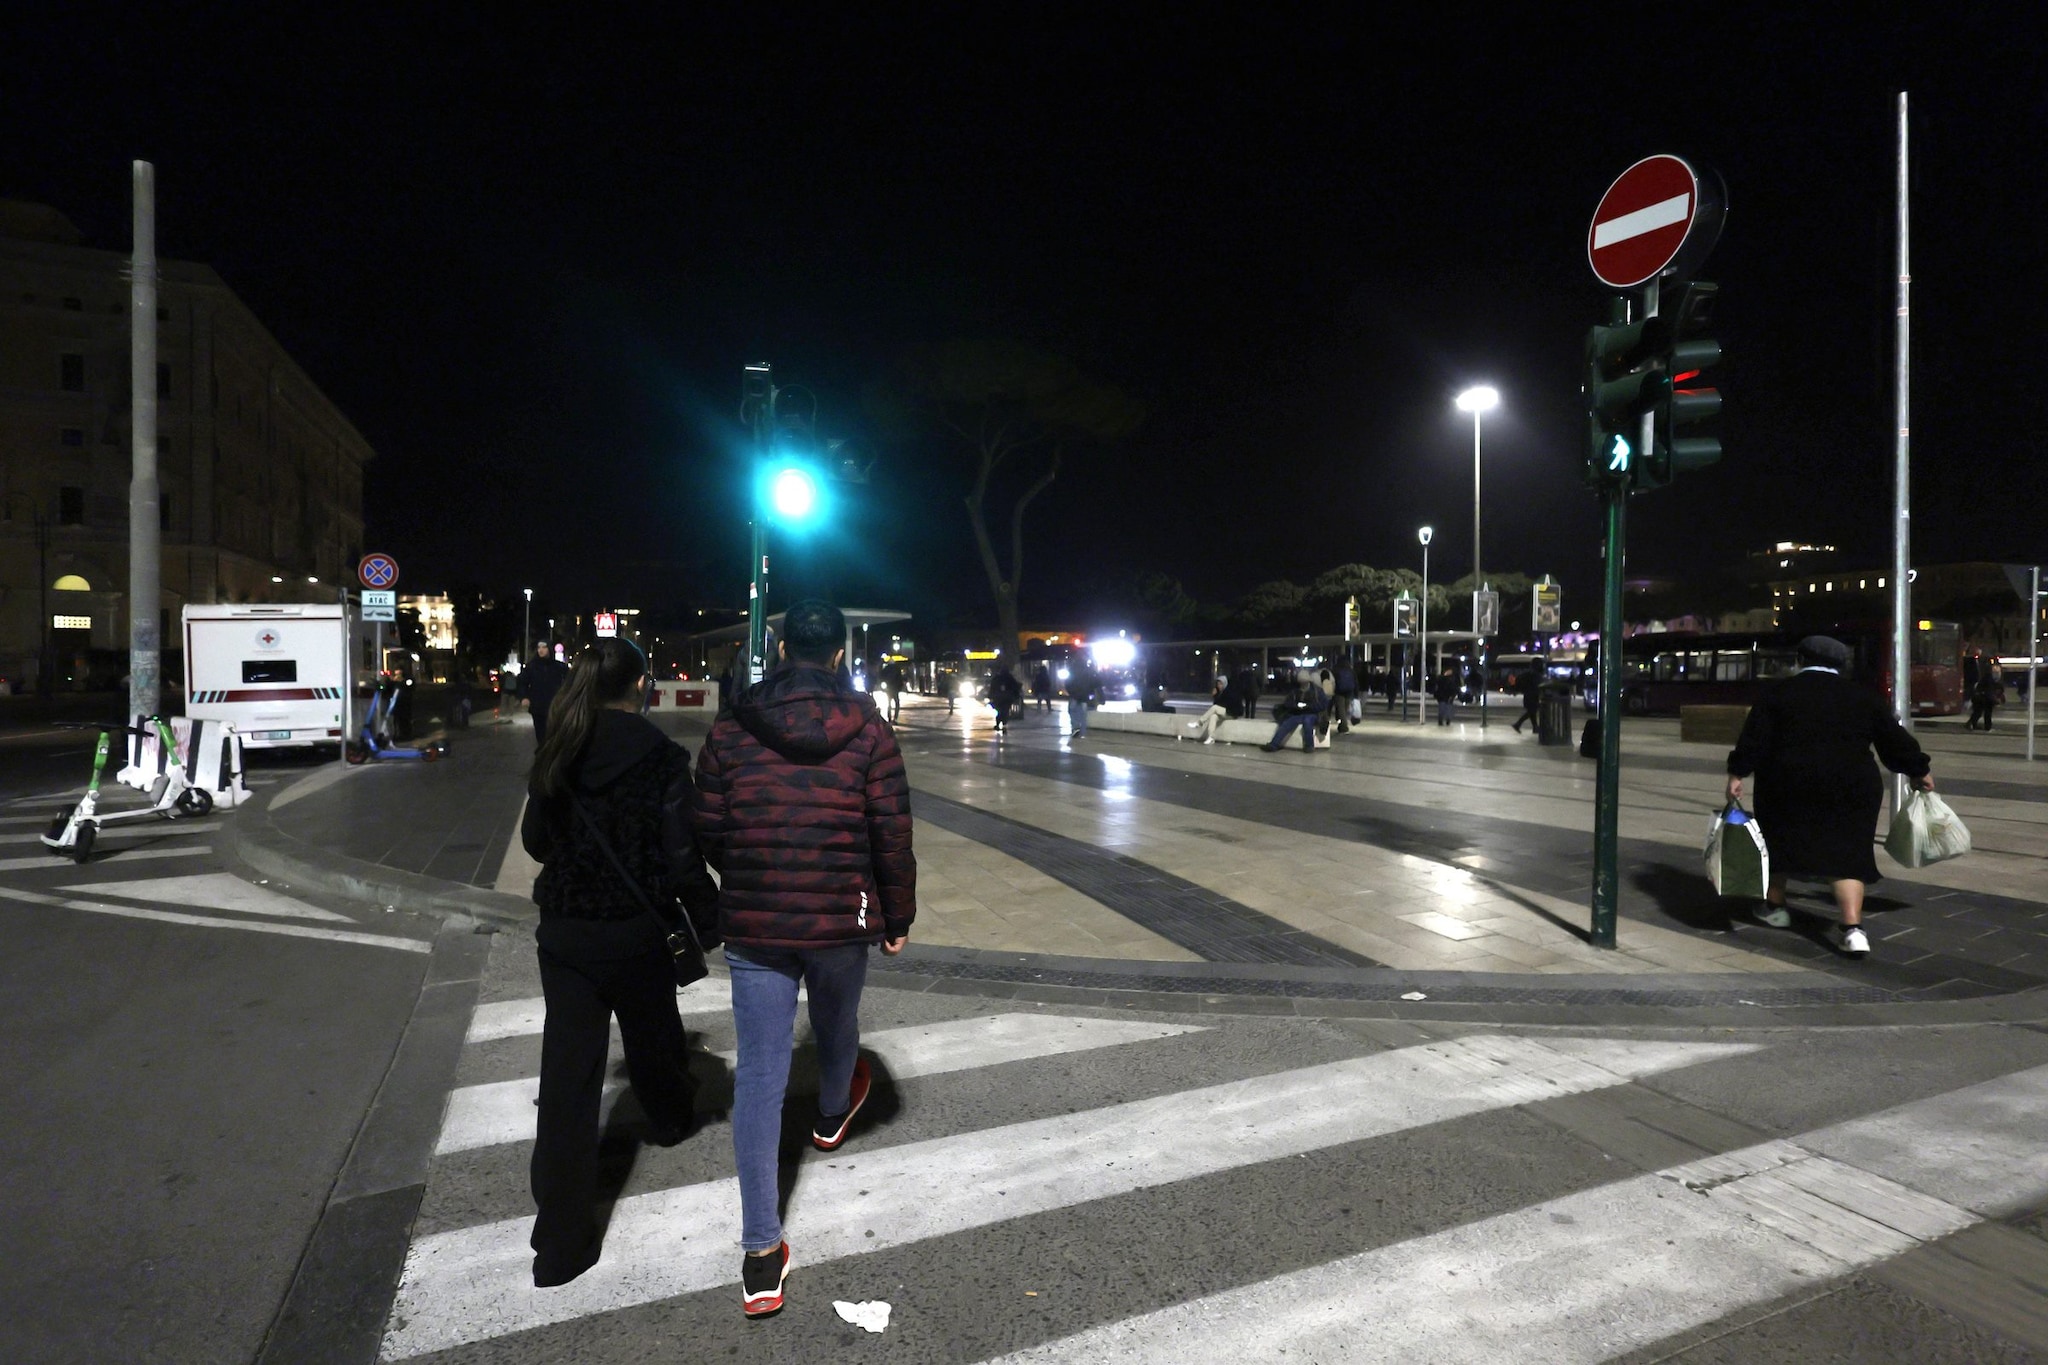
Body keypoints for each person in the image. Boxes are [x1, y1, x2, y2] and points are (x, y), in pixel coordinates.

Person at [691, 599, 916, 1318]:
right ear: (842, 653)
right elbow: (891, 826)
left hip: (757, 919)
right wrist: (896, 911)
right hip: (843, 909)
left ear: (782, 647)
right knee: (837, 1017)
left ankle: (761, 1252)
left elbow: (708, 827)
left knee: (759, 1071)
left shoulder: (732, 724)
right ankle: (828, 1114)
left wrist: (751, 870)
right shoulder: (870, 730)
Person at [518, 637, 719, 1288]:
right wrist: (709, 919)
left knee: (569, 1078)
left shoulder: (561, 743)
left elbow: (536, 839)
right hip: (637, 930)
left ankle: (560, 1242)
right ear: (641, 686)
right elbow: (682, 855)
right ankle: (668, 1114)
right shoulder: (660, 756)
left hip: (569, 932)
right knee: (654, 1032)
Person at [1726, 635, 1933, 957]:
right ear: (1841, 664)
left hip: (1786, 782)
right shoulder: (1862, 696)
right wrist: (1918, 770)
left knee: (1778, 841)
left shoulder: (1778, 694)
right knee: (1848, 854)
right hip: (1852, 784)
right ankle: (1853, 930)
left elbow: (1754, 740)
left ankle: (1775, 907)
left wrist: (1738, 773)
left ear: (1800, 659)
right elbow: (1893, 740)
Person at [521, 641, 570, 748]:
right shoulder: (531, 667)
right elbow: (522, 683)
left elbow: (569, 682)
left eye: (544, 647)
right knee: (541, 735)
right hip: (537, 707)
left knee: (553, 734)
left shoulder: (559, 667)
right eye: (539, 647)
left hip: (555, 706)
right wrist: (525, 697)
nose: (541, 650)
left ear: (549, 649)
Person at [1261, 676, 1325, 752]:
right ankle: (1273, 744)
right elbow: (1287, 703)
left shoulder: (1317, 691)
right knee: (1287, 724)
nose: (1302, 685)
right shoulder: (1295, 691)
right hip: (1297, 713)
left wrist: (1308, 706)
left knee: (1307, 722)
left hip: (1312, 713)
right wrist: (1296, 706)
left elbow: (1323, 705)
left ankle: (1309, 746)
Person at [1182, 678, 1229, 743]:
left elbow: (1223, 705)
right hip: (1224, 712)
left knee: (1214, 708)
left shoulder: (1228, 691)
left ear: (1224, 684)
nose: (1219, 686)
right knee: (1213, 717)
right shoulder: (1220, 692)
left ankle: (1199, 723)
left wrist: (1217, 697)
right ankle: (1211, 737)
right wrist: (1215, 696)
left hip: (1231, 712)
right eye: (1218, 684)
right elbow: (1218, 704)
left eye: (1221, 684)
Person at [1967, 661, 2004, 732]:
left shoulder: (1993, 678)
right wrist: (1995, 699)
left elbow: (1998, 690)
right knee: (1981, 712)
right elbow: (1989, 690)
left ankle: (1974, 724)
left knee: (1982, 712)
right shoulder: (1989, 678)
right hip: (1982, 698)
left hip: (1984, 698)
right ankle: (1976, 725)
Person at [986, 665, 1023, 733]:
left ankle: (998, 723)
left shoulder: (997, 678)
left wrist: (990, 696)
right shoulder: (1009, 677)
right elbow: (1015, 686)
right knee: (1005, 711)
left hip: (998, 698)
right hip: (1007, 698)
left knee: (999, 711)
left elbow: (992, 687)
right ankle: (1004, 723)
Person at [1511, 664, 1543, 735]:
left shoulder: (1528, 674)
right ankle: (1518, 724)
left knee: (1532, 712)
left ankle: (1535, 727)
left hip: (1527, 695)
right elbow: (1537, 686)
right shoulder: (1536, 676)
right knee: (1531, 712)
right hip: (1533, 696)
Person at [1067, 660, 1096, 737]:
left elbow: (1067, 683)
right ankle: (1082, 732)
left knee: (1072, 711)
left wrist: (1071, 692)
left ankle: (1075, 727)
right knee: (1083, 714)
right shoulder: (1088, 672)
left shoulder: (1072, 671)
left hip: (1074, 695)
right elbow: (1092, 684)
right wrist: (1090, 694)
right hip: (1084, 696)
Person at [1332, 658, 1358, 733]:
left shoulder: (1336, 670)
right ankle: (1342, 725)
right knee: (1345, 710)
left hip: (1339, 692)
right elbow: (1355, 682)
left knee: (1341, 710)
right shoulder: (1350, 670)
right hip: (1349, 692)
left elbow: (1332, 682)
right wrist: (1356, 693)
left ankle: (1344, 727)